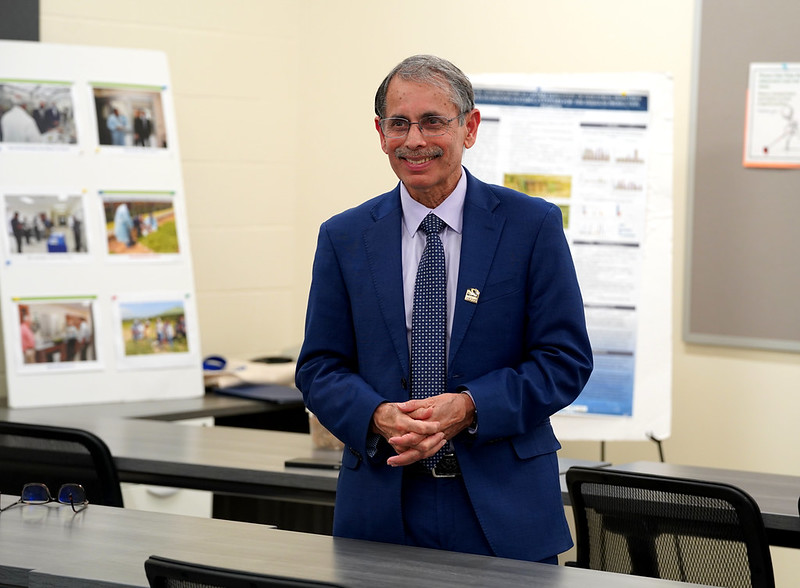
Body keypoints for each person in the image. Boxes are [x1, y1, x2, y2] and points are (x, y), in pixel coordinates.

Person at [295, 55, 593, 564]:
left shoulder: (530, 226)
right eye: (399, 124)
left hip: (503, 507)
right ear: (380, 131)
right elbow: (319, 367)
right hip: (382, 507)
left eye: (433, 121)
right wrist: (376, 415)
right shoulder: (344, 237)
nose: (415, 140)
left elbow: (564, 360)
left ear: (469, 127)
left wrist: (470, 407)